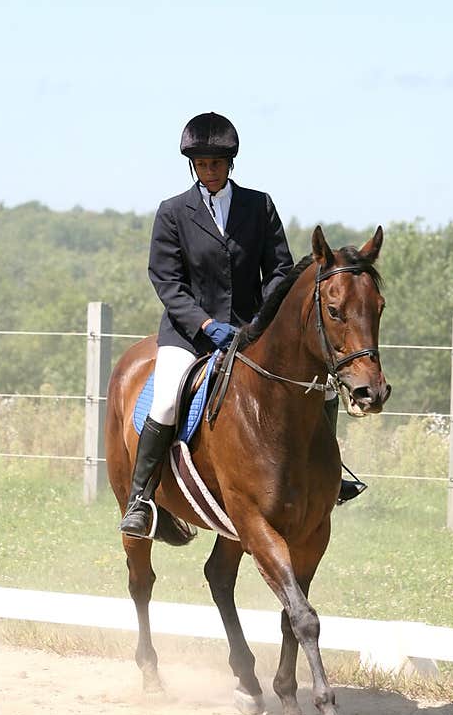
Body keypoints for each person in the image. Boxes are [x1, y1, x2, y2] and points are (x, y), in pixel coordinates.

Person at [119, 110, 366, 539]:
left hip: (251, 332)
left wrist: (260, 323)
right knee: (164, 401)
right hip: (189, 333)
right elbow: (167, 281)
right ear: (192, 165)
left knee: (320, 385)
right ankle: (141, 498)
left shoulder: (258, 205)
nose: (209, 171)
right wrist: (206, 325)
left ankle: (330, 474)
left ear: (229, 164)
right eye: (201, 164)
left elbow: (280, 272)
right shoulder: (174, 212)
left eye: (215, 164)